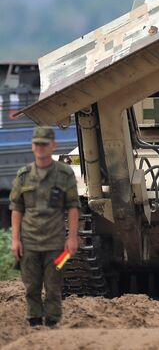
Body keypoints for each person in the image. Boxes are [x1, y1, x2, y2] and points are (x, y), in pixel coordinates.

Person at [9, 126, 80, 327]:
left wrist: (72, 237)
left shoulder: (64, 174)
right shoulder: (23, 176)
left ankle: (52, 322)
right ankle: (33, 320)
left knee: (53, 285)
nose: (40, 148)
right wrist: (15, 240)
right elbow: (16, 209)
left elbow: (73, 207)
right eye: (37, 144)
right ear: (33, 146)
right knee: (31, 286)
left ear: (53, 146)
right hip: (29, 242)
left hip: (56, 244)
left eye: (44, 144)